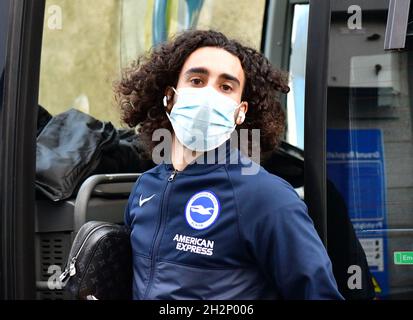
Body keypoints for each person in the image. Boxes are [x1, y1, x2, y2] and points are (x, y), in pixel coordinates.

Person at [116, 30, 343, 300]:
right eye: (197, 80)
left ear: (240, 111)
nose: (208, 97)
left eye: (226, 87)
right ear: (170, 97)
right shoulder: (145, 188)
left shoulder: (266, 197)